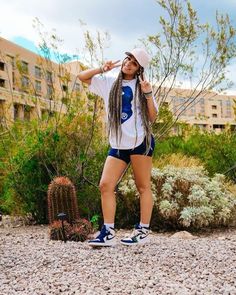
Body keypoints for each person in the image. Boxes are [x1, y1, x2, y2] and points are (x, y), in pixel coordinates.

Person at [77, 48, 158, 246]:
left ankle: (143, 230)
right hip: (118, 144)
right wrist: (100, 69)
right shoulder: (109, 81)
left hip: (140, 142)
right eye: (128, 59)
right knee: (105, 185)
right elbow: (81, 76)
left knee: (143, 187)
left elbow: (153, 117)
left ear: (139, 69)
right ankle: (108, 232)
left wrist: (148, 94)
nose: (129, 63)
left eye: (134, 62)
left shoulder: (143, 86)